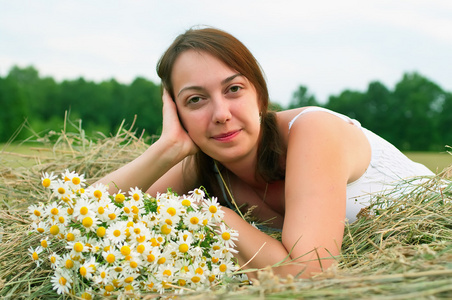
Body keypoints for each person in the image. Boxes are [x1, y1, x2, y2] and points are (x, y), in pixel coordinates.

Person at [98, 26, 434, 278]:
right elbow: (81, 212)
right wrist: (168, 148)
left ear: (259, 95)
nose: (220, 113)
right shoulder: (201, 167)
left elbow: (309, 274)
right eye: (195, 100)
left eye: (233, 89)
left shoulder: (313, 132)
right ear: (176, 113)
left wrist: (211, 215)